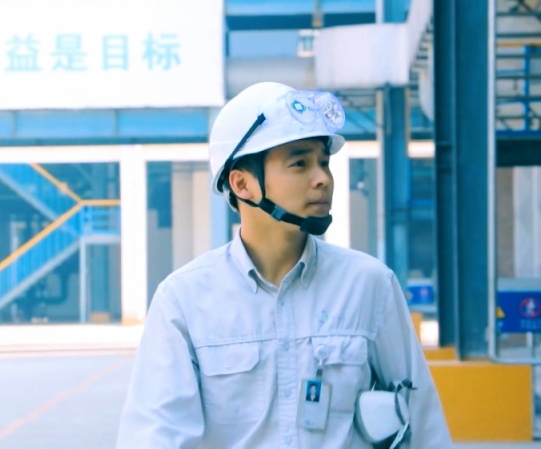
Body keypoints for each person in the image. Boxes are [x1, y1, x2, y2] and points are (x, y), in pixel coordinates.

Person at [116, 82, 452, 448]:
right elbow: (156, 436)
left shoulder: (369, 285)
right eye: (299, 164)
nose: (322, 178)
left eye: (324, 162)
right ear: (242, 184)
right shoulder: (184, 300)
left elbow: (422, 426)